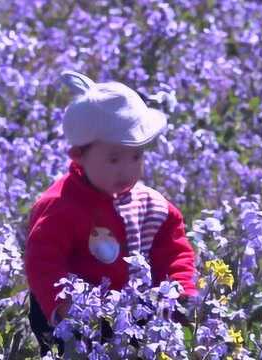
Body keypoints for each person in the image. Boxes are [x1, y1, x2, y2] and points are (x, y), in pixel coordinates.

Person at [24, 70, 198, 356]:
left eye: (136, 156)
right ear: (79, 155)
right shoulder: (61, 206)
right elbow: (42, 261)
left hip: (133, 318)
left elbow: (175, 252)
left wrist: (181, 291)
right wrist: (65, 306)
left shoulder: (150, 206)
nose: (127, 170)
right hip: (75, 320)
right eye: (114, 159)